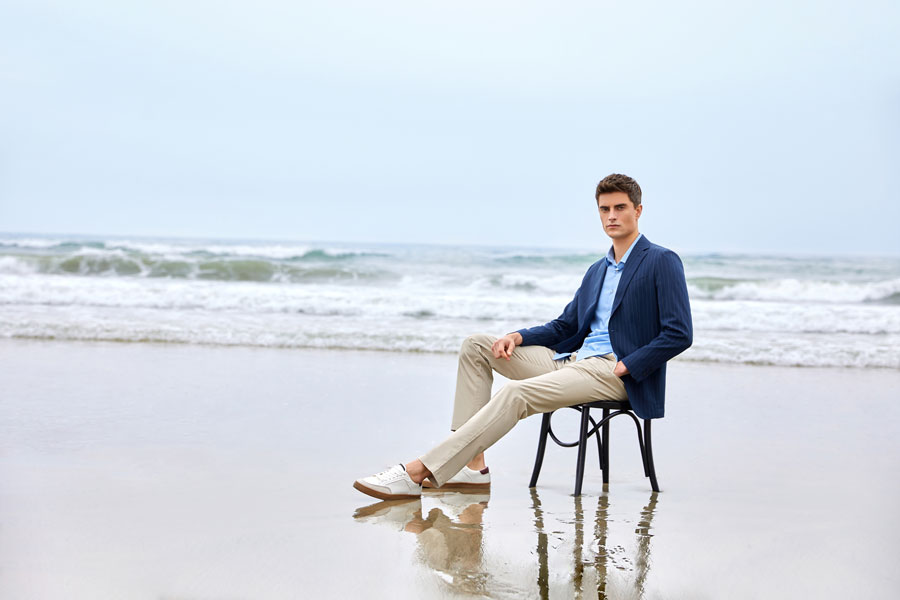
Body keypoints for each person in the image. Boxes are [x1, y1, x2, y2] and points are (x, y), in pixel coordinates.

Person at [353, 173, 693, 500]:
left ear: (638, 210)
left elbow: (678, 333)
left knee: (515, 394)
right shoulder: (597, 270)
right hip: (573, 362)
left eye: (620, 207)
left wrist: (630, 365)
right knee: (477, 346)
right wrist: (516, 337)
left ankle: (417, 472)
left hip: (614, 371)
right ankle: (472, 467)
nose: (612, 216)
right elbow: (565, 326)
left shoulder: (660, 261)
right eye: (605, 209)